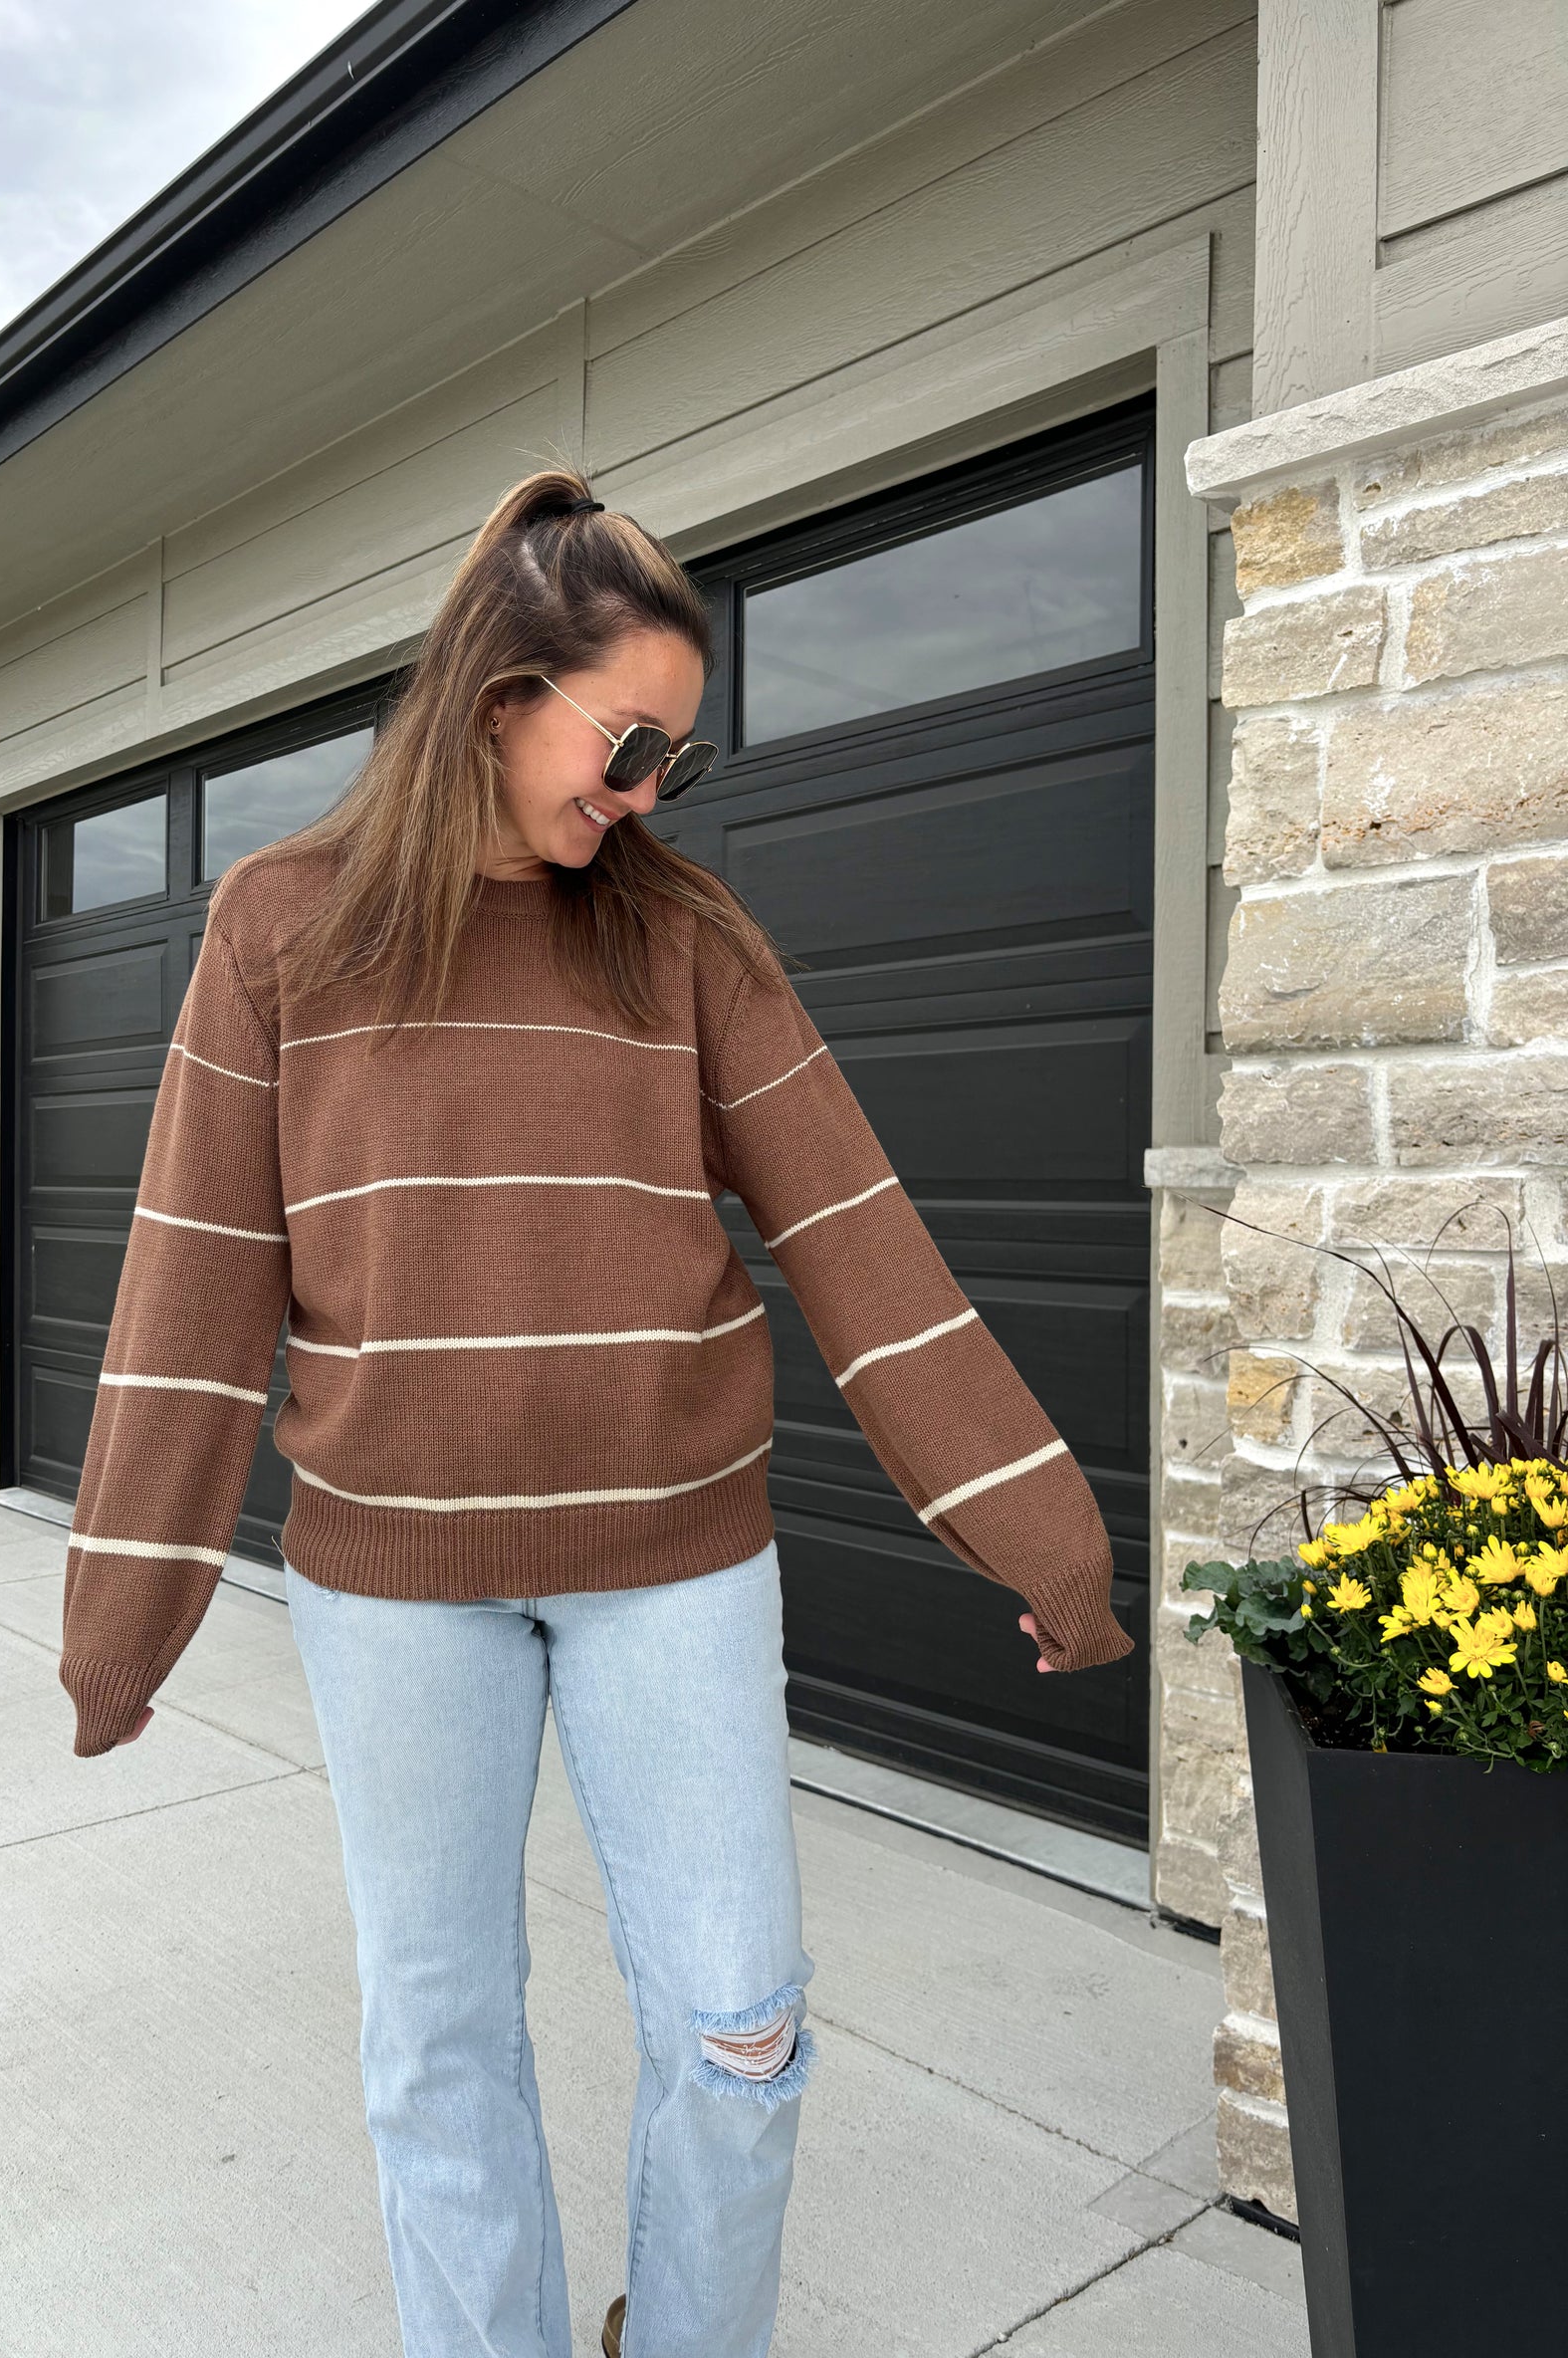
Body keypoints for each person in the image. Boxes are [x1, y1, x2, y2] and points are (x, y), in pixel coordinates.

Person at [58, 467, 1133, 2358]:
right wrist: (121, 1620)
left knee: (742, 2025)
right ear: (498, 697)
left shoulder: (685, 941)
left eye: (676, 767)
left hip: (674, 1561)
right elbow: (194, 1282)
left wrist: (1042, 1538)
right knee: (440, 2032)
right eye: (629, 747)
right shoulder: (281, 926)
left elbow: (862, 1239)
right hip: (397, 1582)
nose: (644, 798)